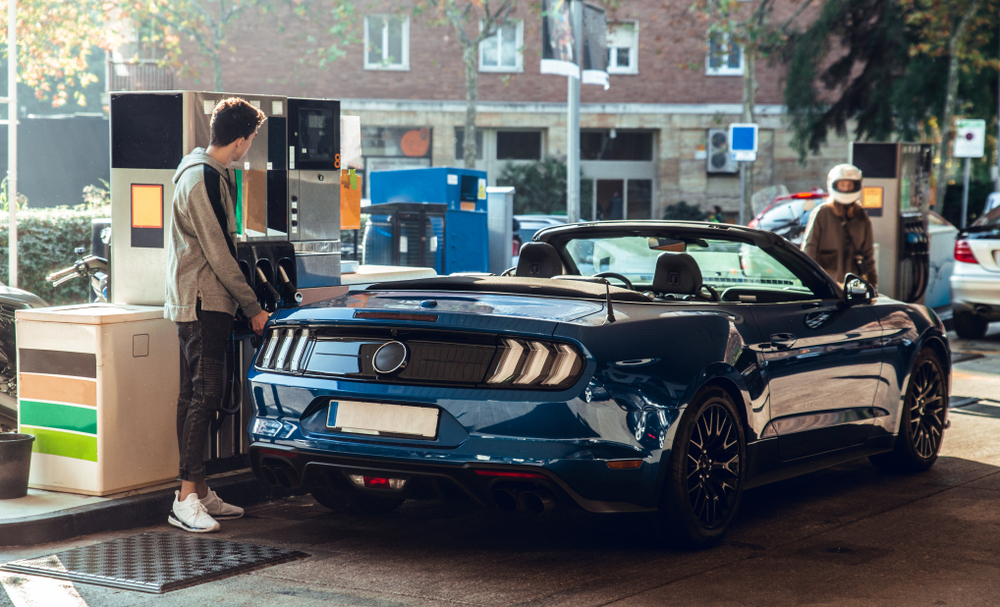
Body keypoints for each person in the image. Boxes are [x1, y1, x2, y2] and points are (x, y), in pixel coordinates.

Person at [164, 98, 269, 533]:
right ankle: (186, 498)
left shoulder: (196, 168)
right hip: (205, 302)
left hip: (193, 299)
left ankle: (199, 490)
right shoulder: (204, 178)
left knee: (193, 396)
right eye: (252, 139)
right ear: (241, 140)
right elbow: (220, 254)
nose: (250, 146)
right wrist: (254, 307)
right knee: (204, 397)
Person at [802, 163, 878, 291]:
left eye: (850, 185)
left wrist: (872, 283)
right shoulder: (822, 213)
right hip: (827, 280)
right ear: (834, 185)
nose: (846, 189)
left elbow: (868, 253)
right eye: (842, 185)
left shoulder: (861, 216)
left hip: (855, 282)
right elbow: (810, 247)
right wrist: (809, 279)